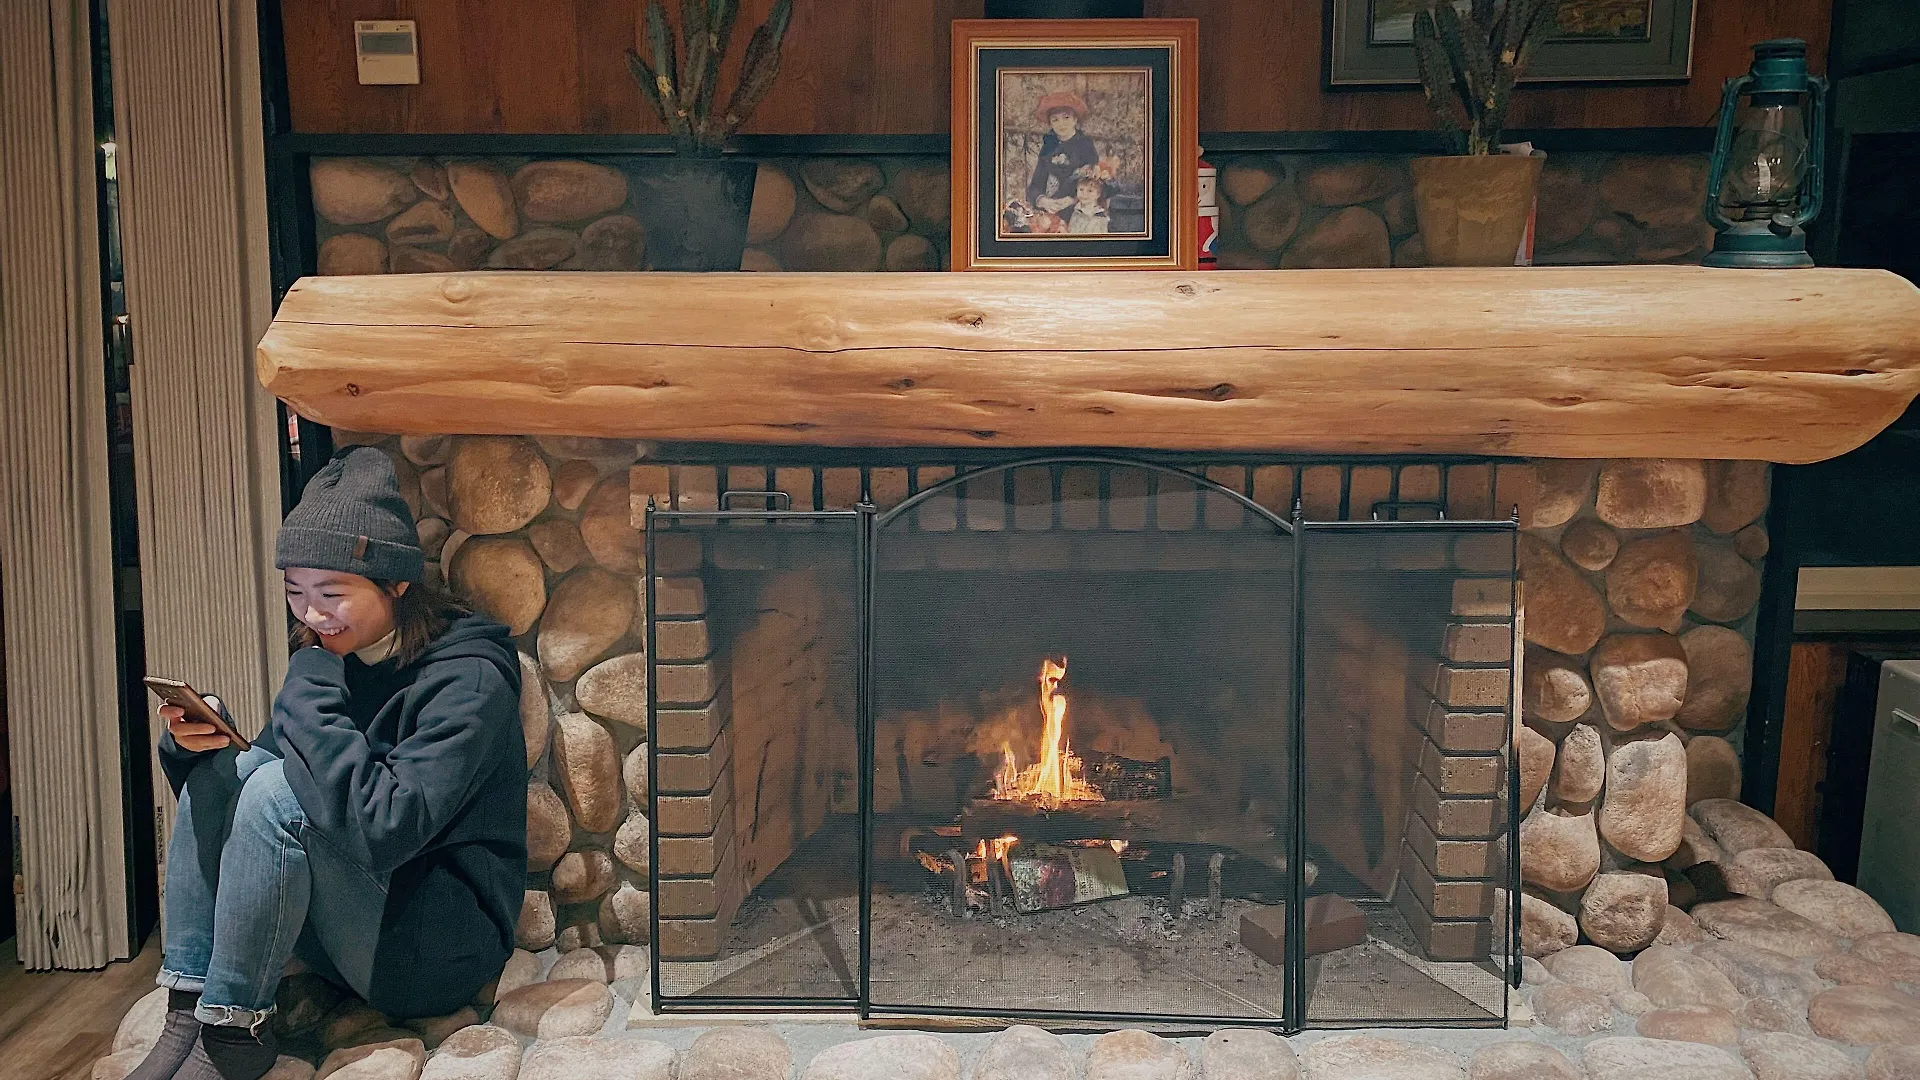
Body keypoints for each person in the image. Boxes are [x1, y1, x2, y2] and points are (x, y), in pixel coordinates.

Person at [128, 447, 527, 1080]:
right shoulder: (335, 654)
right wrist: (195, 747)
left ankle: (232, 1034)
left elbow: (382, 828)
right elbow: (267, 772)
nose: (312, 615)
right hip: (351, 923)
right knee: (231, 773)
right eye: (296, 592)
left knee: (275, 792)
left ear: (396, 583)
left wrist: (311, 682)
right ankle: (188, 1012)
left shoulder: (469, 680)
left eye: (332, 594)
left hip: (432, 946)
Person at [1024, 90, 1099, 216]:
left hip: (1078, 210)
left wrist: (1072, 200)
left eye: (1066, 117)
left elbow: (1097, 187)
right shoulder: (1049, 147)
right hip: (1049, 210)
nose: (1061, 124)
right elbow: (1035, 186)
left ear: (1075, 119)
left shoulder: (1085, 145)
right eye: (1055, 120)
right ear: (1051, 123)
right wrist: (1043, 201)